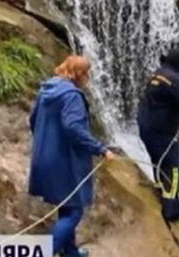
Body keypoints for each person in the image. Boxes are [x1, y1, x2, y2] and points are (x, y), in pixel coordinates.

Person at [28, 55, 116, 257]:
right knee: (75, 211)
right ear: (79, 74)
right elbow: (74, 129)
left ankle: (70, 251)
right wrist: (100, 149)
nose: (88, 79)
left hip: (43, 158)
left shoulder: (47, 90)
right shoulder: (72, 96)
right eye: (87, 74)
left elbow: (33, 120)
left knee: (66, 205)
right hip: (63, 162)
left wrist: (47, 143)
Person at [137, 48, 179, 222]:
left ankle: (160, 188)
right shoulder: (174, 79)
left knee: (158, 160)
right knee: (174, 165)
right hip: (161, 132)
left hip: (146, 127)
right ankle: (172, 207)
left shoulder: (157, 74)